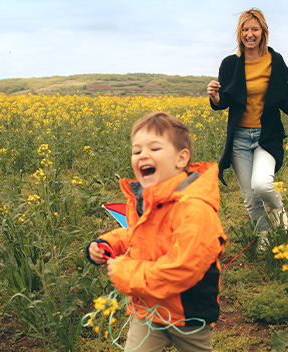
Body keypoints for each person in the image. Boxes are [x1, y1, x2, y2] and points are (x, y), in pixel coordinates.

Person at [85, 111, 226, 352]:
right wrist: (108, 244)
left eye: (154, 149)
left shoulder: (194, 210)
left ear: (181, 159)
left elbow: (182, 268)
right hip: (147, 310)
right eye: (137, 151)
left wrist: (125, 272)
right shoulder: (146, 198)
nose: (143, 156)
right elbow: (138, 235)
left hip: (189, 315)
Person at [206, 8, 288, 249]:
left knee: (262, 185)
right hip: (239, 139)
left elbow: (282, 97)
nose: (249, 34)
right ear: (240, 33)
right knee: (251, 199)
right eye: (245, 29)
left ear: (263, 32)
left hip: (266, 136)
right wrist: (214, 96)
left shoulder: (275, 61)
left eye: (254, 29)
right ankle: (266, 240)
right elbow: (223, 101)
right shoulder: (230, 63)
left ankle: (281, 216)